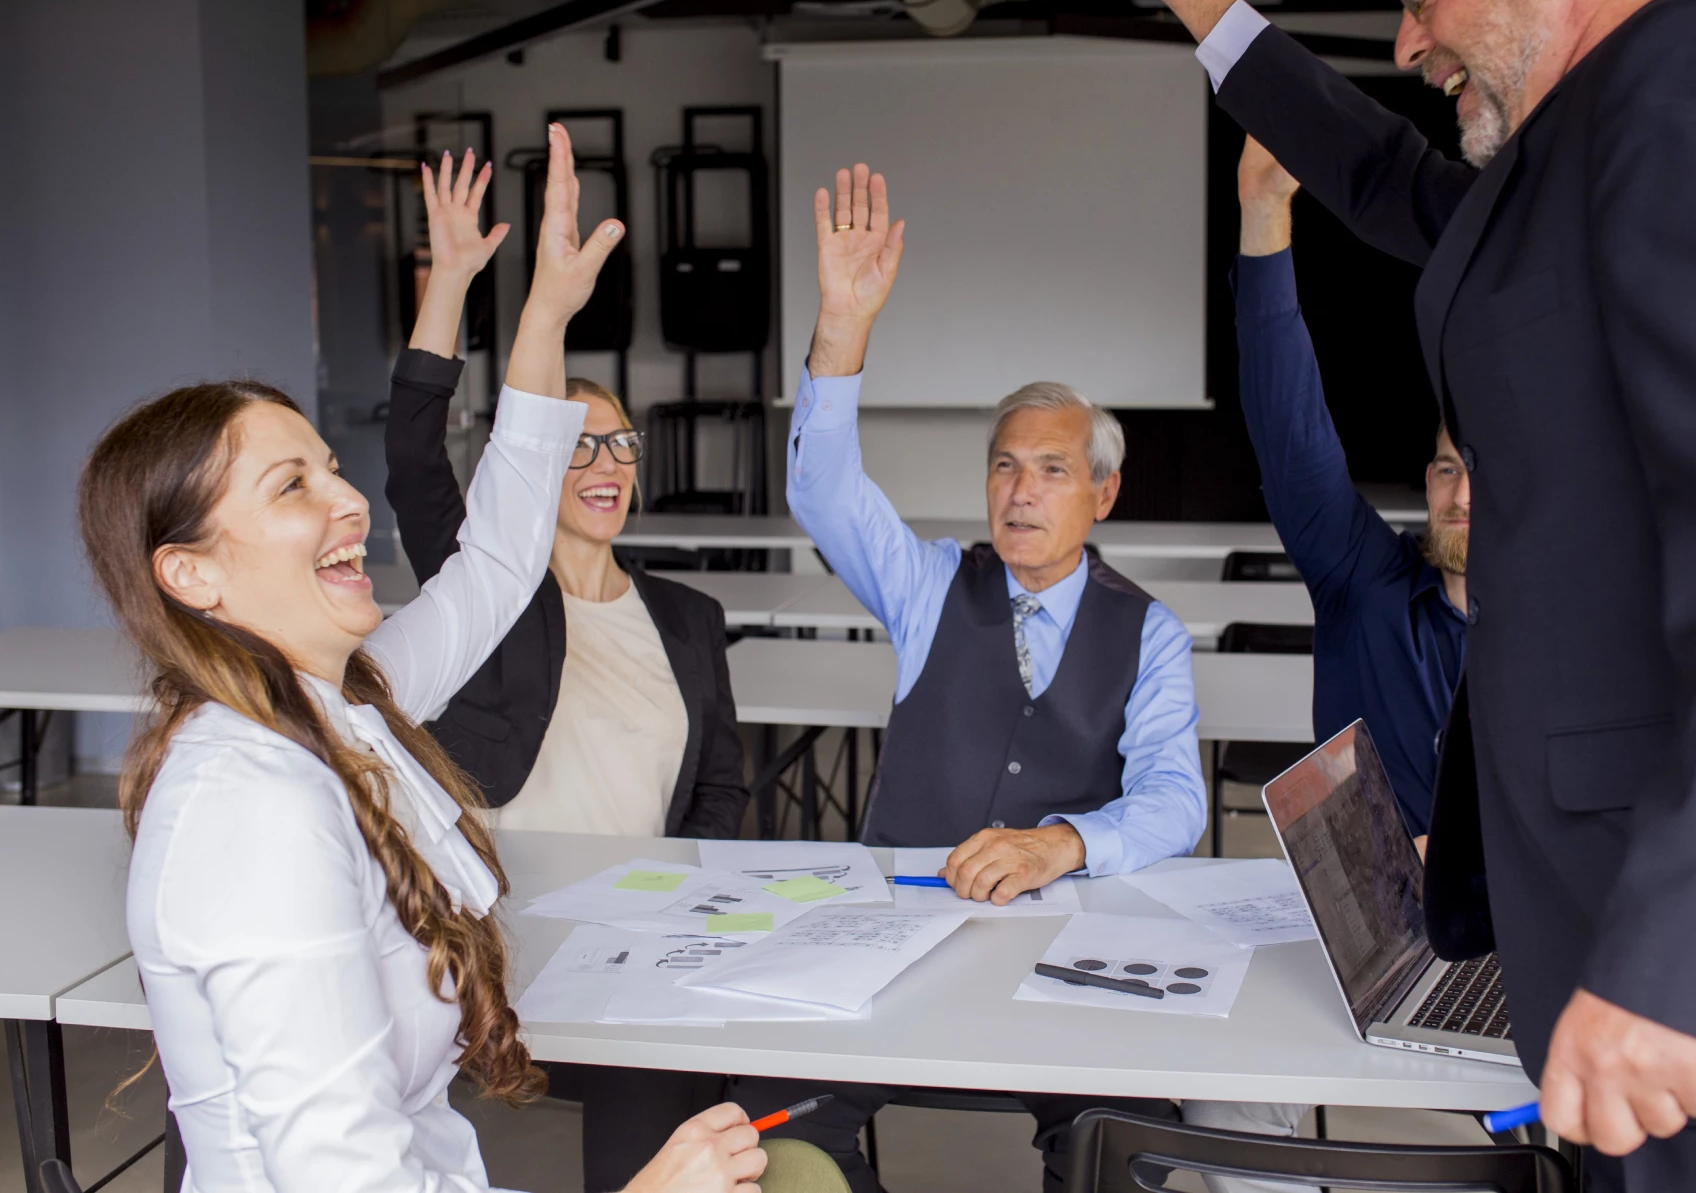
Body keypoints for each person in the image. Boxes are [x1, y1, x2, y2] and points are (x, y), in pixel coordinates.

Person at [1068, 0, 1696, 1188]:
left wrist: (1684, 964)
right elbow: (1386, 175)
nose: (1412, 40)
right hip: (1627, 974)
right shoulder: (1583, 155)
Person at [82, 124, 779, 1193]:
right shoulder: (250, 803)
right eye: (291, 488)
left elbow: (498, 561)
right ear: (192, 576)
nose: (349, 498)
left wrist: (544, 311)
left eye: (328, 466)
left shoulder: (337, 704)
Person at [725, 162, 1207, 1193]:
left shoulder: (1150, 631)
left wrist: (1065, 842)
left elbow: (1175, 799)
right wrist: (843, 324)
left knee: (1127, 1146)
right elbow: (823, 491)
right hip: (893, 927)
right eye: (1002, 465)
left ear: (1104, 492)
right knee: (774, 1125)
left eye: (1051, 470)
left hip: (1065, 935)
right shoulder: (930, 582)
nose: (1019, 492)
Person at [384, 144, 751, 1192]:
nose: (603, 468)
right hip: (503, 927)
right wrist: (450, 285)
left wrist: (677, 901)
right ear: (533, 462)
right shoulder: (486, 593)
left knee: (688, 1081)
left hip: (635, 930)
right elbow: (414, 458)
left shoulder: (688, 617)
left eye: (622, 448)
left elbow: (720, 787)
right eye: (577, 446)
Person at [1181, 136, 1473, 1190]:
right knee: (1221, 1084)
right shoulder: (1366, 581)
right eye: (1446, 467)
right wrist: (1265, 219)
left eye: (1486, 471)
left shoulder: (1567, 626)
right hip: (1351, 932)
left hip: (1508, 939)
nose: (1461, 494)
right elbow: (1293, 431)